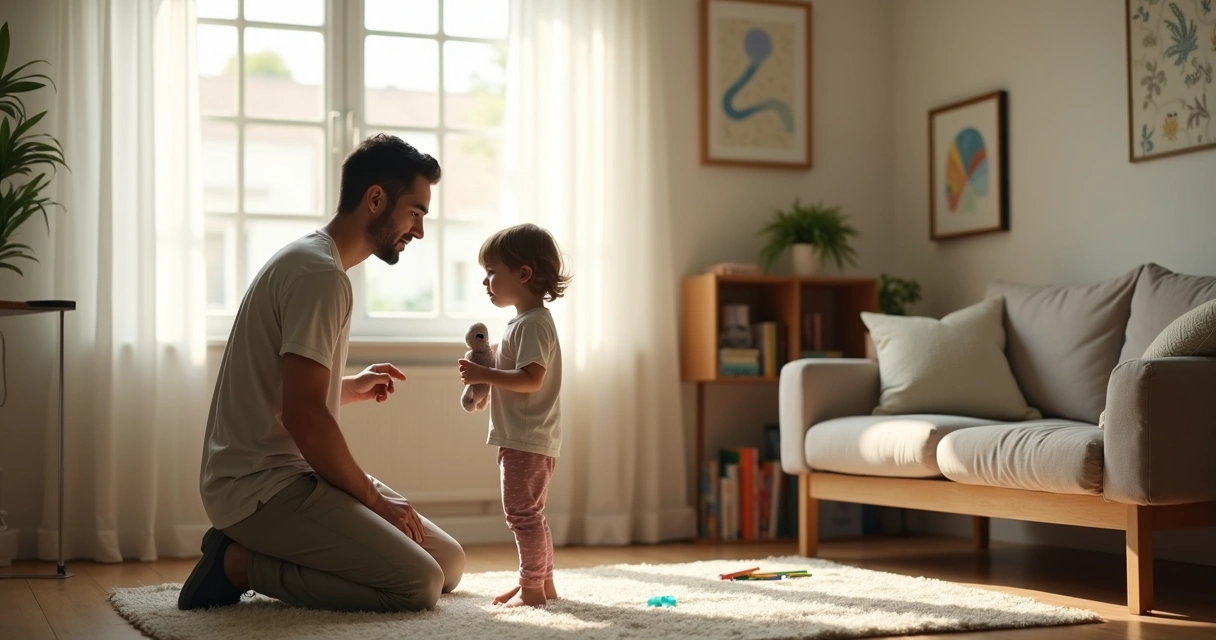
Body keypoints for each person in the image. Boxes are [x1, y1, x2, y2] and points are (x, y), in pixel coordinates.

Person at [178, 134, 466, 613]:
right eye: (415, 213)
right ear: (376, 199)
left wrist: (348, 388)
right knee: (418, 584)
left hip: (293, 475)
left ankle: (279, 550)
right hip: (257, 488)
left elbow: (290, 391)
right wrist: (374, 501)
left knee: (447, 563)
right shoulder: (320, 276)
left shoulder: (316, 262)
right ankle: (236, 563)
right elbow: (305, 416)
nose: (418, 231)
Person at [457, 223, 570, 608]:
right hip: (525, 436)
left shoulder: (535, 323)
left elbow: (530, 379)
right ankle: (544, 582)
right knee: (530, 514)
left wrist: (483, 374)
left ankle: (533, 587)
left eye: (492, 272)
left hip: (528, 438)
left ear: (523, 274)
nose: (485, 282)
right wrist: (485, 384)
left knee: (522, 516)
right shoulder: (523, 323)